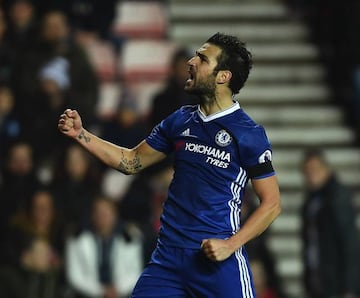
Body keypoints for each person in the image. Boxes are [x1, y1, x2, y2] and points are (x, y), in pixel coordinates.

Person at [58, 33, 281, 297]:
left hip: (216, 261)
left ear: (223, 76)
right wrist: (81, 135)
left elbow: (272, 204)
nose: (191, 62)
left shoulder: (248, 133)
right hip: (168, 260)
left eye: (202, 58)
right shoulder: (180, 121)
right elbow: (131, 161)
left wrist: (230, 245)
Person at [301, 149, 360, 298]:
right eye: (307, 172)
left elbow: (349, 243)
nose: (311, 176)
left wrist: (349, 287)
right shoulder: (312, 200)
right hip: (318, 279)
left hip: (336, 282)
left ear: (326, 169)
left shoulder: (337, 198)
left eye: (315, 170)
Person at [66, 196, 143, 298]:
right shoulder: (77, 238)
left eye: (107, 212)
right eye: (99, 213)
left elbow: (136, 272)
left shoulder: (130, 237)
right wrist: (101, 291)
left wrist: (117, 290)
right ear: (92, 215)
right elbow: (74, 276)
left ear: (115, 214)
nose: (103, 217)